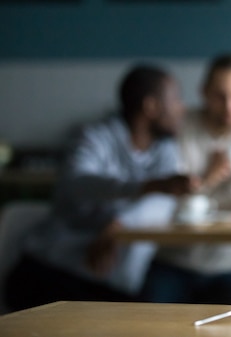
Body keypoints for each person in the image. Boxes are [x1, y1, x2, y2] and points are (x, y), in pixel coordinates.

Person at [4, 65, 199, 311]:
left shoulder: (166, 149)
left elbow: (164, 202)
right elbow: (78, 183)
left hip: (114, 285)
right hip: (54, 270)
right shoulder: (94, 137)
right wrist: (145, 186)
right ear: (151, 107)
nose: (182, 107)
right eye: (176, 99)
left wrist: (118, 225)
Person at [141, 54, 231, 304]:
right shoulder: (180, 124)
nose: (229, 106)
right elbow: (170, 197)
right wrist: (212, 177)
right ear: (204, 92)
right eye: (220, 95)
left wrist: (198, 187)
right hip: (173, 258)